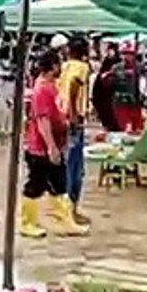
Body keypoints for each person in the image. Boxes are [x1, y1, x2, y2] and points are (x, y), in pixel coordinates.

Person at [20, 49, 88, 238]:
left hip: (53, 145)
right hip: (40, 149)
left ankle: (65, 222)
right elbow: (43, 121)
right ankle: (27, 223)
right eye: (58, 64)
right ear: (52, 67)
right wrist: (51, 147)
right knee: (36, 185)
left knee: (59, 185)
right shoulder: (41, 90)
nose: (61, 67)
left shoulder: (52, 86)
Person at [58, 36, 91, 225]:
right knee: (75, 167)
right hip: (73, 119)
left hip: (63, 118)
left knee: (69, 165)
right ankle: (71, 210)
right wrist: (74, 116)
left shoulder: (64, 66)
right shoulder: (82, 68)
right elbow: (73, 90)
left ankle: (68, 209)